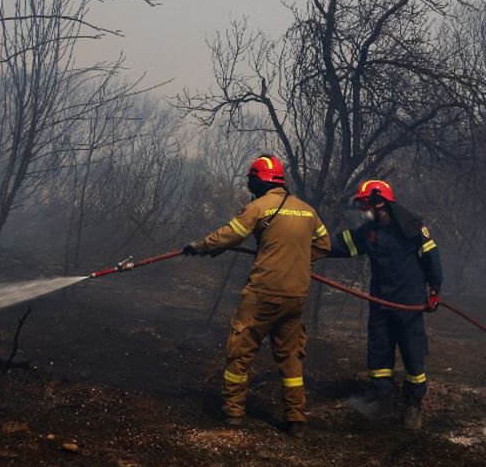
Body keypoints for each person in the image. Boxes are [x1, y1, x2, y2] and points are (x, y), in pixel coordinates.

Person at [183, 155, 330, 438]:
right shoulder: (307, 211)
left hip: (263, 293)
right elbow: (324, 244)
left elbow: (230, 234)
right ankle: (296, 419)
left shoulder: (259, 207)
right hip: (296, 296)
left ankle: (234, 413)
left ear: (259, 179)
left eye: (251, 181)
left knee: (240, 350)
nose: (250, 186)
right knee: (290, 357)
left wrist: (200, 246)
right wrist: (297, 260)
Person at [327, 179, 442, 430]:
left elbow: (431, 257)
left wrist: (434, 289)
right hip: (380, 304)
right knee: (379, 355)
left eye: (365, 204)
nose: (362, 210)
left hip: (408, 306)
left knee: (413, 357)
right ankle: (382, 401)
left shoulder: (412, 228)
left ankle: (413, 406)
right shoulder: (370, 232)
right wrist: (306, 245)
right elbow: (340, 244)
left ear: (379, 202)